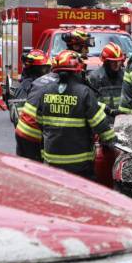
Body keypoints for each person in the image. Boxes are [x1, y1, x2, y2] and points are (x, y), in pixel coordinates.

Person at [15, 50, 115, 179]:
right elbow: (100, 125)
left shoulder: (45, 91)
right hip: (80, 165)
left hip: (52, 162)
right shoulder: (84, 92)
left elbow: (40, 122)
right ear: (77, 71)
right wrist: (112, 140)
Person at [87, 42, 125, 110]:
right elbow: (91, 103)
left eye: (119, 61)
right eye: (113, 62)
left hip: (121, 117)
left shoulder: (125, 76)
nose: (117, 64)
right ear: (106, 62)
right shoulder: (94, 78)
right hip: (103, 118)